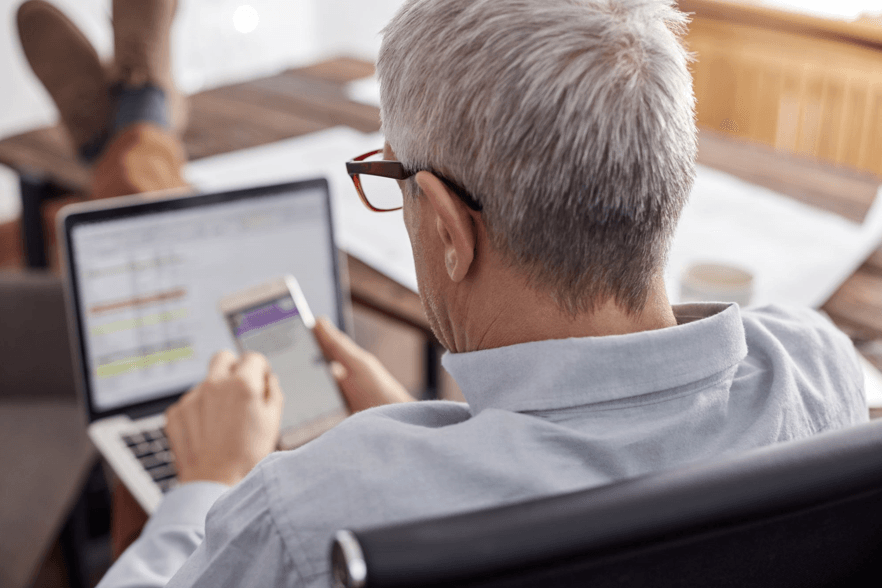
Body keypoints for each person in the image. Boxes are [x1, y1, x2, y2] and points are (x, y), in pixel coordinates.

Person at [14, 0, 867, 587]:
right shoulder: (817, 370)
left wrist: (205, 483)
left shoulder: (309, 511)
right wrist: (443, 438)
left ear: (449, 230)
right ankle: (136, 127)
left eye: (392, 181)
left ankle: (134, 133)